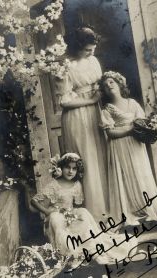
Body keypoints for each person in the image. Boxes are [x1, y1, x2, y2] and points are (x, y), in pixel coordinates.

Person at [31, 153, 137, 268]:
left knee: (83, 212)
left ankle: (94, 252)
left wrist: (73, 216)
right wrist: (48, 212)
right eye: (68, 167)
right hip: (57, 217)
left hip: (70, 214)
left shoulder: (76, 185)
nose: (70, 171)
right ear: (61, 167)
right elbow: (34, 201)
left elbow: (77, 205)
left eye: (74, 168)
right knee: (56, 218)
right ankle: (71, 255)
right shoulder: (54, 185)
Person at [99, 71, 157, 225]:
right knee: (125, 174)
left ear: (119, 84)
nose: (109, 86)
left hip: (135, 143)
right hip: (119, 144)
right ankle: (130, 208)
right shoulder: (107, 110)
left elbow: (143, 123)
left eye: (111, 82)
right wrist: (130, 130)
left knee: (139, 171)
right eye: (105, 85)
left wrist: (145, 129)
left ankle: (146, 206)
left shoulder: (132, 103)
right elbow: (110, 133)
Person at [55, 27, 108, 220]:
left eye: (93, 48)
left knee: (101, 158)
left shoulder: (93, 61)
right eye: (86, 49)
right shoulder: (64, 67)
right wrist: (91, 100)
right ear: (76, 47)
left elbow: (100, 86)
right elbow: (64, 101)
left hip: (96, 113)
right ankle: (94, 215)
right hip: (77, 116)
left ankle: (108, 210)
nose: (91, 52)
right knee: (86, 161)